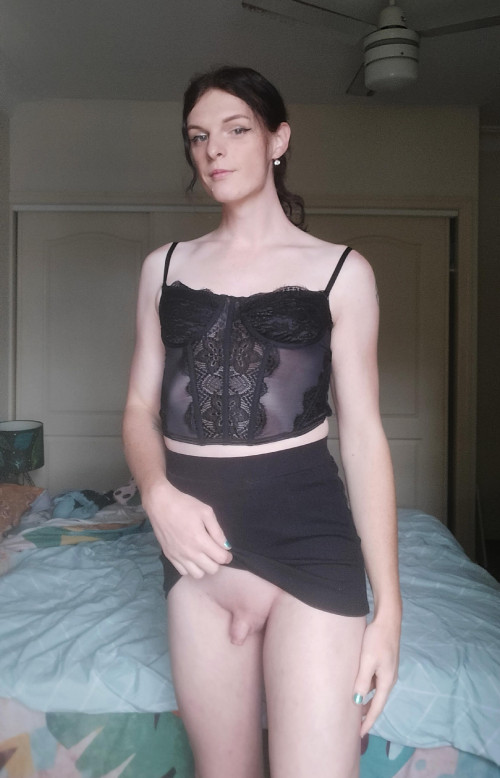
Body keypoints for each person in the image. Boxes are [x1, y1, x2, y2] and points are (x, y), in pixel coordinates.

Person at [123, 66, 401, 778]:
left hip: (311, 546)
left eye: (236, 129)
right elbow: (139, 410)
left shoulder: (342, 271)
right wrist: (156, 494)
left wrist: (390, 612)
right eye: (198, 137)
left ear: (278, 139)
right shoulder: (163, 268)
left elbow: (363, 438)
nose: (213, 149)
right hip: (200, 559)